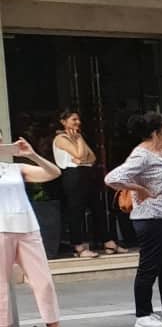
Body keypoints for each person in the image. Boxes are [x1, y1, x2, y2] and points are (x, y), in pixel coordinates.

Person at [104, 110, 162, 327]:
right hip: (151, 219)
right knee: (149, 267)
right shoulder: (141, 155)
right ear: (155, 133)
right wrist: (138, 188)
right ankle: (143, 314)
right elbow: (112, 178)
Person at [0, 136, 84, 327]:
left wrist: (31, 154)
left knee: (43, 281)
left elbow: (53, 173)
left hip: (28, 226)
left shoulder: (14, 168)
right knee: (0, 286)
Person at [51, 110, 110, 257]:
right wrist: (79, 145)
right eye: (74, 120)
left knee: (97, 206)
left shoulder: (78, 137)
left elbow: (92, 157)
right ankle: (78, 245)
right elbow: (80, 155)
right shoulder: (61, 138)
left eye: (78, 120)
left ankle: (107, 241)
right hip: (72, 175)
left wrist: (79, 139)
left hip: (85, 174)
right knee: (76, 210)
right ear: (63, 122)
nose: (77, 122)